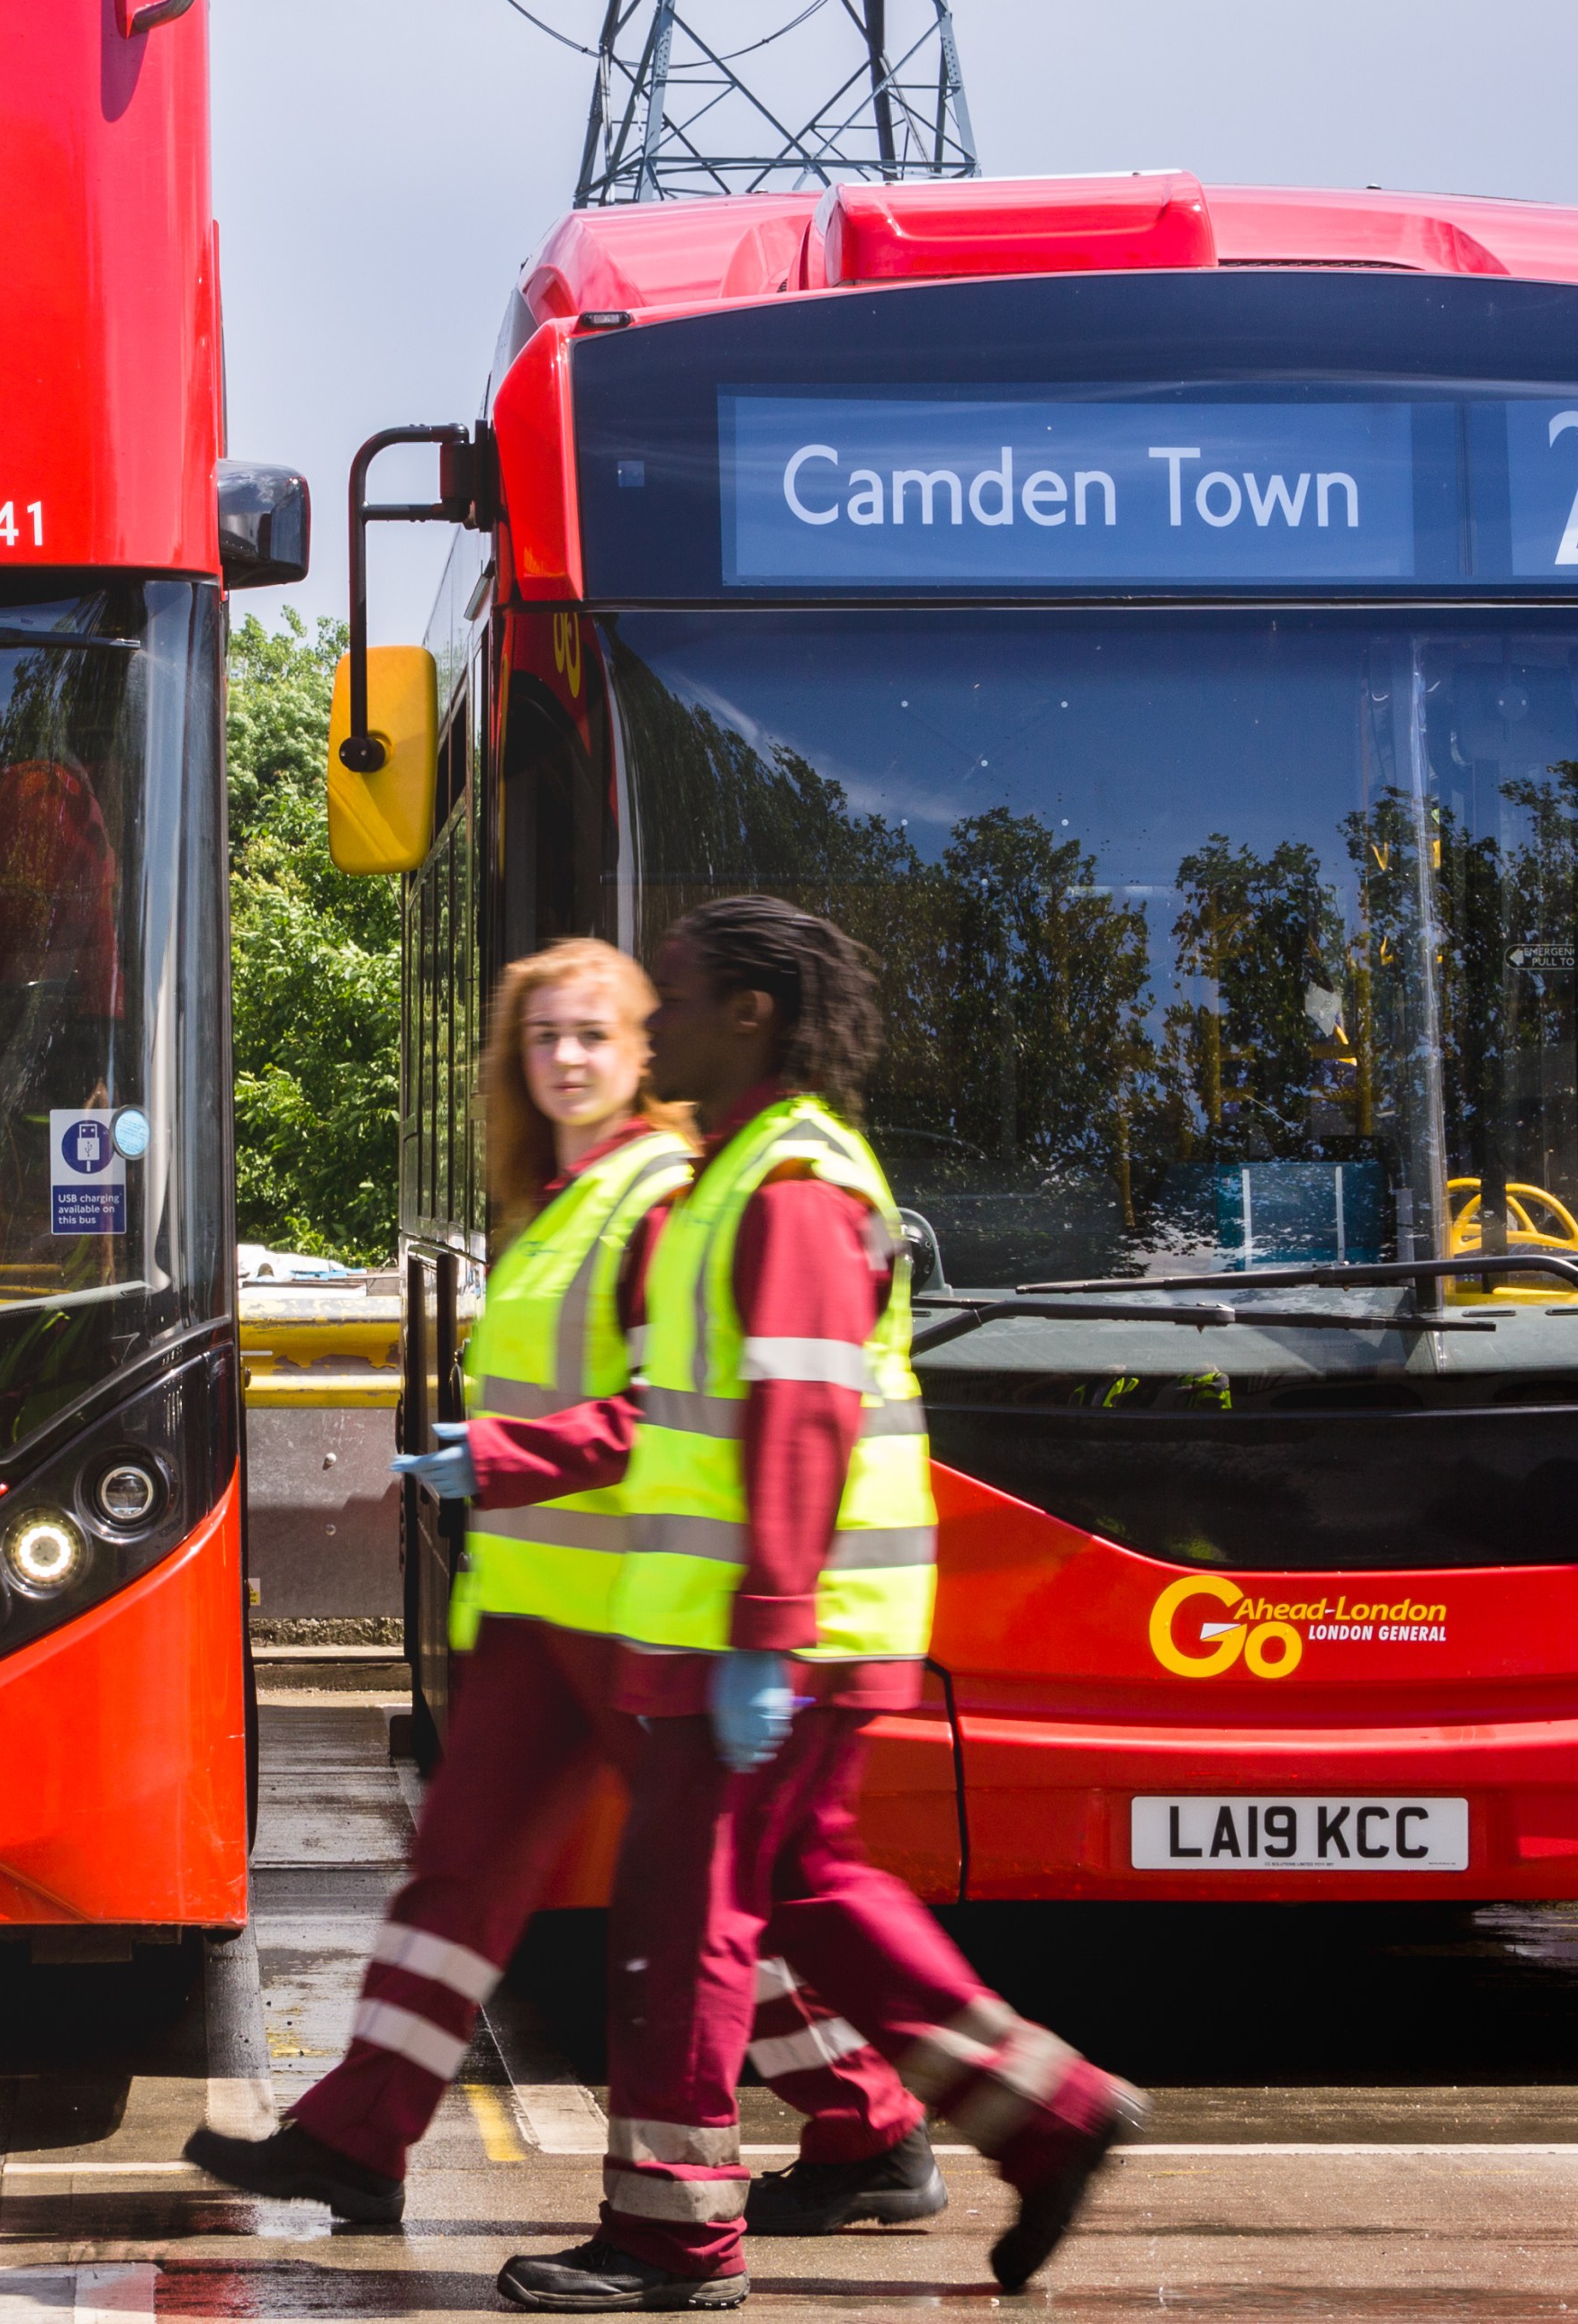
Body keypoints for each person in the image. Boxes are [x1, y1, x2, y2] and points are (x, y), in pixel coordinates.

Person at [183, 938, 945, 2236]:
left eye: (595, 1032)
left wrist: (495, 1455)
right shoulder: (560, 1196)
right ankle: (360, 2137)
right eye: (542, 1036)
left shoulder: (657, 1195)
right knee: (458, 1881)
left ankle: (879, 2120)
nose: (568, 1058)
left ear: (649, 1048)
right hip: (545, 1614)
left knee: (707, 1905)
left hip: (632, 1610)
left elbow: (664, 1407)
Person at [489, 898, 1143, 2317]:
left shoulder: (786, 1184)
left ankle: (671, 2237)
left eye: (676, 996)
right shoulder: (739, 1171)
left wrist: (766, 1633)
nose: (651, 1023)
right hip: (772, 1623)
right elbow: (686, 1412)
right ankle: (1052, 2110)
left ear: (755, 1013)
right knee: (818, 1892)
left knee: (683, 1921)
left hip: (768, 1627)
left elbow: (796, 1420)